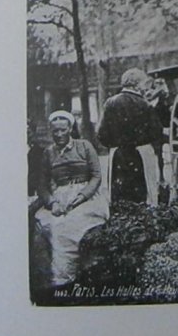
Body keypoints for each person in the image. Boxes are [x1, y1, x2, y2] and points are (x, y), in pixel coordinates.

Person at [31, 111, 107, 290]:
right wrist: (53, 203)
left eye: (62, 130)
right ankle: (59, 279)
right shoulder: (48, 153)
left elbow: (96, 176)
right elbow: (42, 185)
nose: (58, 135)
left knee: (73, 225)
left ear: (70, 129)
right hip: (60, 198)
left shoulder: (84, 146)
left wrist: (81, 197)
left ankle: (74, 275)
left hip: (86, 197)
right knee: (49, 226)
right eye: (55, 131)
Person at [96, 68, 166, 206]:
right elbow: (156, 132)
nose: (145, 88)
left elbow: (101, 134)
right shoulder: (144, 104)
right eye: (144, 84)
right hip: (141, 154)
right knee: (143, 195)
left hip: (118, 156)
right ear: (136, 85)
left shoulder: (110, 103)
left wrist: (115, 144)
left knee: (120, 195)